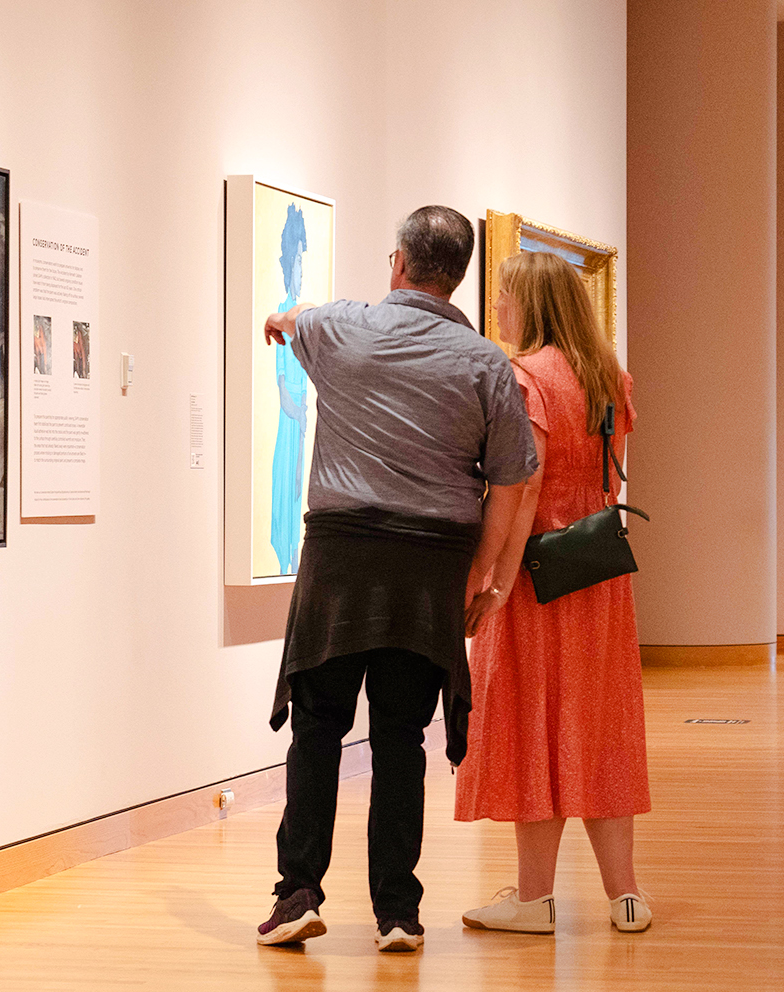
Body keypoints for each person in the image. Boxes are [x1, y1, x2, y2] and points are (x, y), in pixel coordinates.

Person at [255, 206, 539, 953]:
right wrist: (486, 577)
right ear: (459, 276)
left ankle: (298, 894)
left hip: (342, 557)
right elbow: (511, 482)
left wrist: (280, 318)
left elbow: (293, 319)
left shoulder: (341, 327)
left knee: (318, 726)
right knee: (401, 737)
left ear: (398, 265)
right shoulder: (485, 363)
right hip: (431, 563)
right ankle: (397, 913)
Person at [453, 251, 652, 934]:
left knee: (531, 725)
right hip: (596, 574)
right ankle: (625, 895)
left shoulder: (523, 378)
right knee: (600, 726)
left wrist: (491, 579)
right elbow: (608, 476)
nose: (498, 308)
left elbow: (523, 485)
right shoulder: (608, 377)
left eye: (504, 296)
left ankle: (534, 899)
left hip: (536, 574)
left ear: (529, 304)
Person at [270, 205, 311, 575]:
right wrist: (299, 415)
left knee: (300, 489)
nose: (301, 270)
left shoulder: (302, 318)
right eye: (297, 262)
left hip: (301, 419)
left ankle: (293, 559)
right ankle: (285, 557)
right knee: (288, 488)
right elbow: (283, 387)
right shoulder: (285, 312)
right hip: (290, 422)